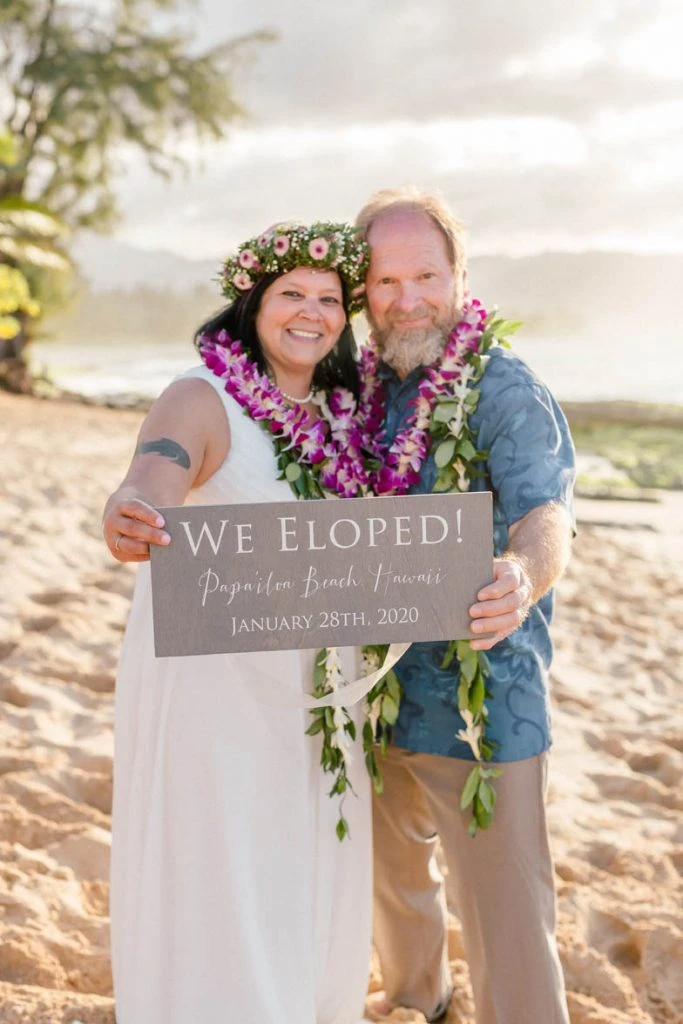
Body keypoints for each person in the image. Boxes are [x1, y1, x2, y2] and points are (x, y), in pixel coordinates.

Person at [102, 221, 374, 1024]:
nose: (310, 312)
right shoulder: (201, 396)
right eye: (291, 293)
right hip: (214, 681)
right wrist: (133, 508)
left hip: (319, 685)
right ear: (253, 303)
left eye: (328, 299)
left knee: (304, 852)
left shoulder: (344, 411)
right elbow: (158, 469)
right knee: (224, 855)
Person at [356, 188, 575, 1024]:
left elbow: (544, 515)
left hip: (480, 709)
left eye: (425, 274)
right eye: (385, 281)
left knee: (508, 930)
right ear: (361, 292)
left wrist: (521, 576)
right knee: (394, 896)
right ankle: (423, 1006)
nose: (407, 298)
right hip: (373, 697)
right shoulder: (351, 391)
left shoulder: (503, 388)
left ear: (459, 275)